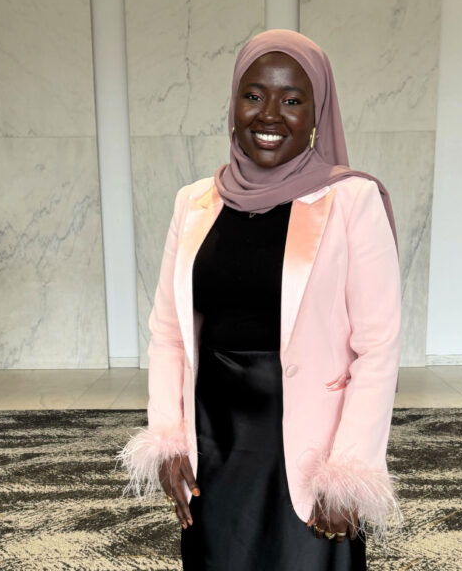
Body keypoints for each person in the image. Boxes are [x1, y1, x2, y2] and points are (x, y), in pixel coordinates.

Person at [115, 29, 403, 570]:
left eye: (292, 100)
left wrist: (350, 467)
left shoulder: (352, 199)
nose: (270, 114)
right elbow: (168, 332)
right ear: (233, 103)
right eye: (253, 95)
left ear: (317, 113)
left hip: (312, 442)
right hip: (214, 440)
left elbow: (378, 345)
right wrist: (168, 438)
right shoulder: (193, 202)